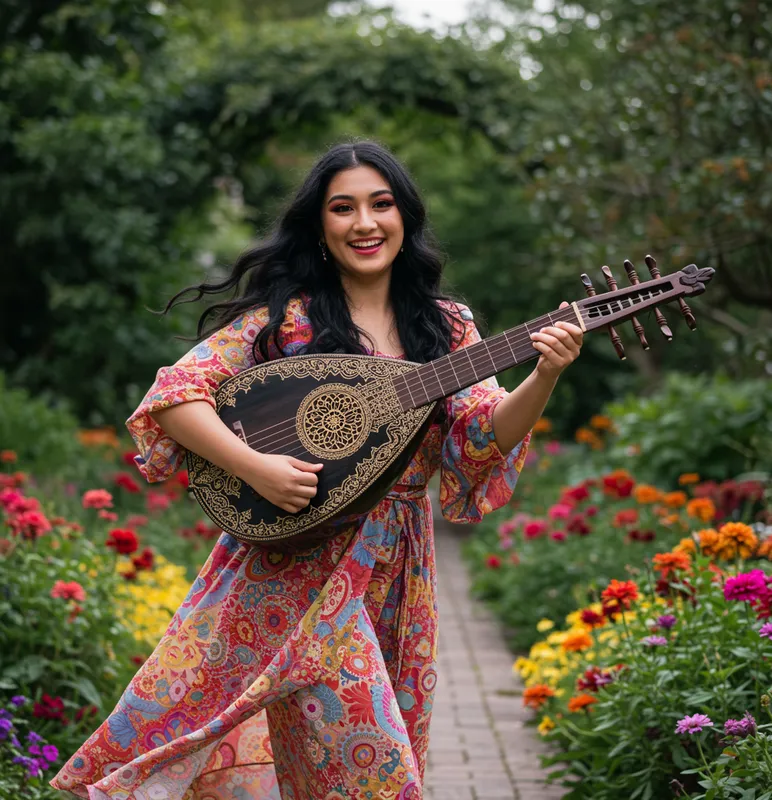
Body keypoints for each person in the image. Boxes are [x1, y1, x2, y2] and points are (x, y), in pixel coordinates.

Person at [51, 140, 583, 799]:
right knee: (377, 777)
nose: (365, 223)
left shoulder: (448, 327)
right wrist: (257, 468)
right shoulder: (287, 322)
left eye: (380, 204)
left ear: (405, 217)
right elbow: (175, 395)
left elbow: (480, 436)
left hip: (394, 570)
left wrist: (546, 373)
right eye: (344, 208)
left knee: (331, 775)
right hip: (284, 570)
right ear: (321, 226)